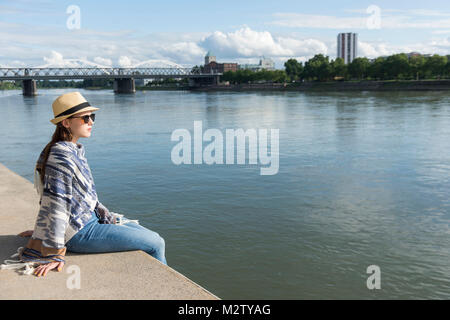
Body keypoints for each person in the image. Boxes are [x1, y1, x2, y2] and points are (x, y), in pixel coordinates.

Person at [10, 92, 167, 277]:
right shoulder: (61, 155)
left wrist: (42, 230)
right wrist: (50, 245)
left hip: (90, 218)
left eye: (92, 116)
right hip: (80, 232)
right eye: (85, 118)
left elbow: (56, 197)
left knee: (150, 235)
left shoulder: (73, 149)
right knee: (156, 242)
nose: (91, 122)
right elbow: (56, 202)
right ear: (66, 123)